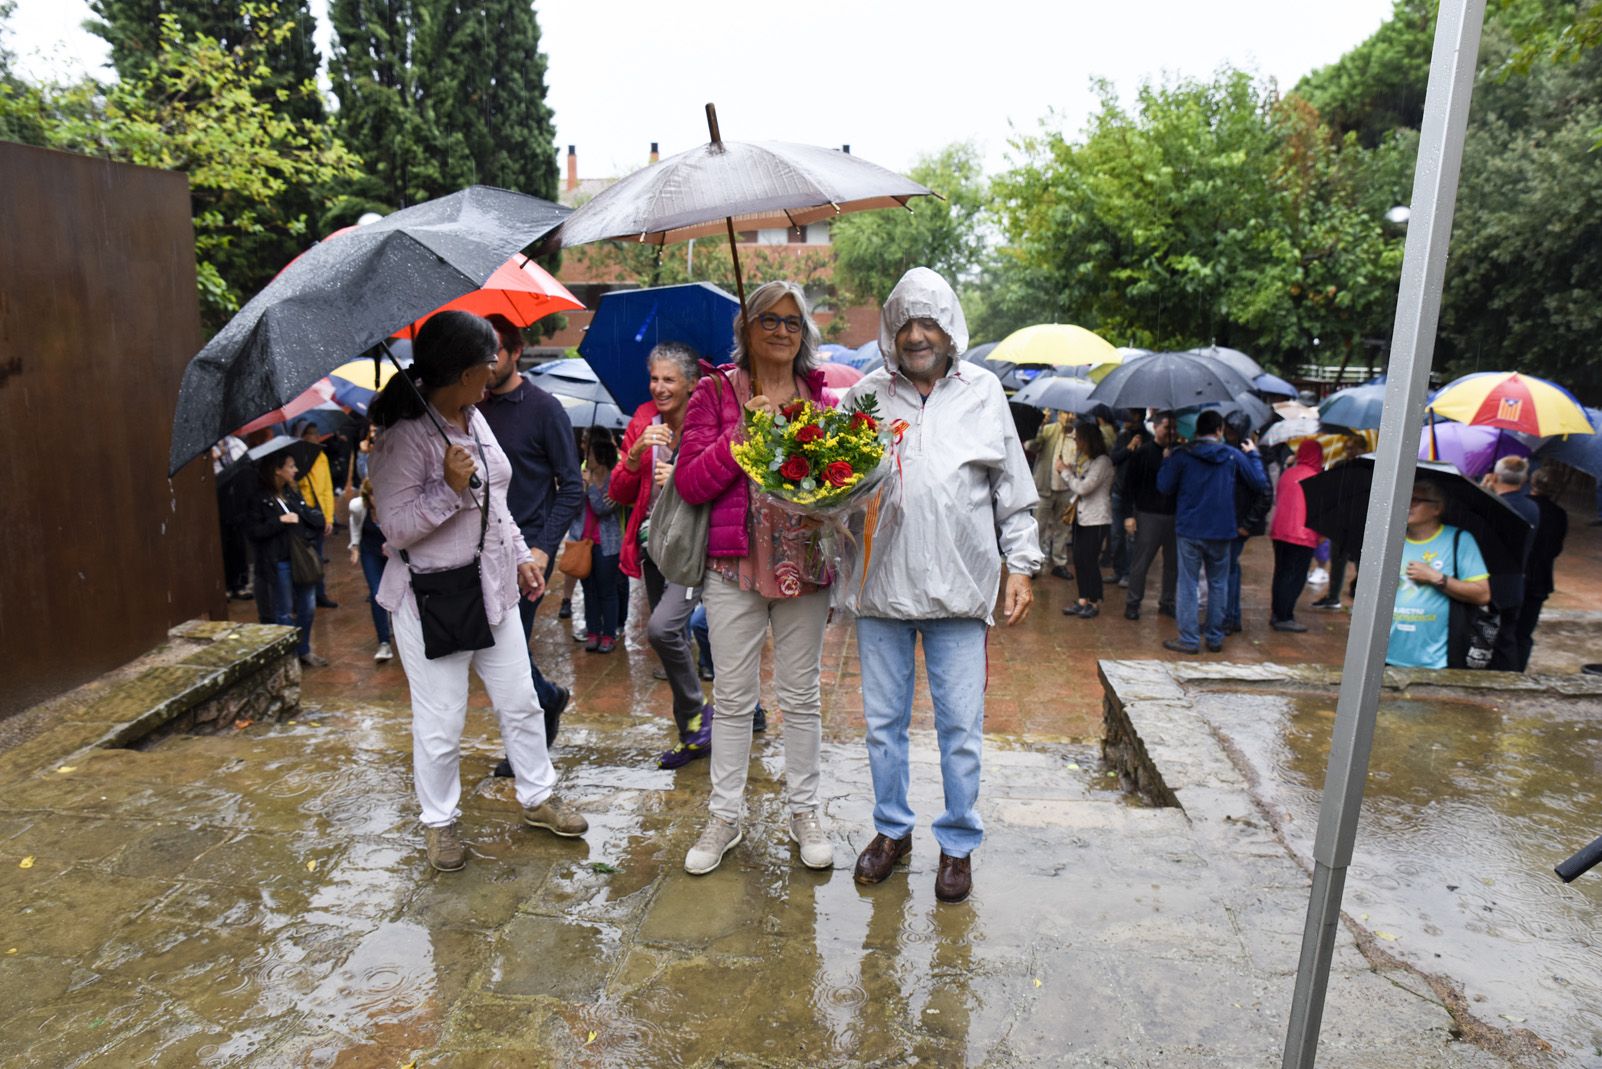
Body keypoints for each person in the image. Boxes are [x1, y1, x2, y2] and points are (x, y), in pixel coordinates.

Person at [841, 267, 1041, 905]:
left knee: (961, 728)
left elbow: (1014, 494)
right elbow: (833, 485)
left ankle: (957, 845)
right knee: (882, 725)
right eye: (905, 324)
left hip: (961, 592)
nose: (917, 335)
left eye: (928, 323)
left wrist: (1022, 566)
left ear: (949, 328)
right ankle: (891, 832)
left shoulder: (984, 393)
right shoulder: (866, 396)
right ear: (891, 334)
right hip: (881, 589)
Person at [368, 310, 587, 873]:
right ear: (462, 371)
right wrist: (447, 487)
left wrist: (520, 557)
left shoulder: (472, 418)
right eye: (486, 360)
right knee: (443, 722)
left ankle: (538, 796)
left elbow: (496, 502)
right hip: (434, 599)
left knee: (521, 701)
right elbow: (393, 529)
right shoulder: (403, 440)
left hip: (492, 591)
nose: (494, 368)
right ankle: (439, 824)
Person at [673, 280, 836, 876]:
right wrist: (744, 433)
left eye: (793, 322)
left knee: (801, 696)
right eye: (768, 319)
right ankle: (725, 815)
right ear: (746, 329)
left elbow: (832, 483)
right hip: (732, 566)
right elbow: (690, 481)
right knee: (736, 697)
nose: (781, 331)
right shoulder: (715, 392)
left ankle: (804, 811)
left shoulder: (819, 400)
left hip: (805, 565)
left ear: (804, 335)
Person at [478, 314, 582, 772]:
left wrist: (542, 546)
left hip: (528, 554)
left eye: (495, 350)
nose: (487, 361)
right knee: (493, 649)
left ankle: (527, 745)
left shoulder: (544, 408)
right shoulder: (470, 408)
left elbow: (572, 486)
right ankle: (548, 695)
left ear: (516, 351)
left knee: (509, 650)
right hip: (477, 550)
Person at [610, 342, 718, 768]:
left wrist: (682, 476)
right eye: (654, 378)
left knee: (661, 630)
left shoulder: (705, 423)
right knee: (674, 638)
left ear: (692, 384)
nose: (659, 387)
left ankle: (698, 714)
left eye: (669, 379)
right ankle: (693, 734)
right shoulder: (642, 420)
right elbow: (618, 492)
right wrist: (634, 457)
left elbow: (724, 483)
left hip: (693, 548)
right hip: (653, 548)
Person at [1157, 408, 1268, 654]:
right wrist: (1254, 455)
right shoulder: (1231, 455)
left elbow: (1164, 486)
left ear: (1197, 430)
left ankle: (1188, 639)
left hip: (1190, 530)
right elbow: (1259, 483)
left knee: (1188, 583)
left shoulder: (1182, 455)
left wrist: (1167, 459)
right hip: (1221, 530)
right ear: (1219, 430)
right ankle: (1215, 637)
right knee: (1219, 583)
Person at [1386, 478, 1490, 670]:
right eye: (1405, 498)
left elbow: (1482, 594)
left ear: (1437, 508)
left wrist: (1437, 578)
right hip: (1386, 655)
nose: (1407, 505)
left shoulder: (1459, 540)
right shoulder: (1390, 538)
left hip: (1437, 661)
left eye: (1416, 500)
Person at [245, 445, 327, 667]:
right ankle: (289, 655)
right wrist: (279, 521)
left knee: (308, 606)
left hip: (300, 557)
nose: (295, 469)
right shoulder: (259, 498)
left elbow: (306, 518)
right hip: (278, 560)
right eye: (290, 466)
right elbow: (254, 531)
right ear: (277, 470)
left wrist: (318, 519)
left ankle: (303, 650)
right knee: (283, 610)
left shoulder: (292, 492)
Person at [1482, 456, 1540, 671]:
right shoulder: (1532, 508)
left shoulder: (1495, 505)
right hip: (1515, 580)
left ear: (1495, 476)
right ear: (1524, 478)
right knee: (1507, 636)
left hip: (1491, 581)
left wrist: (1486, 491)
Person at [1121, 412, 1178, 621]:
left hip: (1173, 515)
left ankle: (1168, 602)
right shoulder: (1143, 452)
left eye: (1173, 428)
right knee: (1141, 562)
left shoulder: (1179, 454)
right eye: (1166, 427)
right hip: (1147, 515)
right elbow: (1129, 486)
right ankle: (1133, 602)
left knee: (1173, 564)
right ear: (1155, 428)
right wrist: (1129, 515)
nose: (1170, 432)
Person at [1267, 438, 1325, 633]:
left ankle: (1277, 613)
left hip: (1280, 531)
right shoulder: (1317, 478)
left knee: (1281, 572)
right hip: (1303, 535)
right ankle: (1285, 616)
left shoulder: (1288, 473)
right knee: (1296, 576)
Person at [1222, 413, 1272, 635]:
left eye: (1231, 430)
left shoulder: (1250, 455)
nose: (1227, 434)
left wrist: (1246, 524)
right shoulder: (1240, 453)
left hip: (1238, 524)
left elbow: (1264, 491)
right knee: (1231, 569)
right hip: (1233, 522)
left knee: (1229, 569)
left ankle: (1229, 618)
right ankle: (1231, 617)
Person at [1514, 466, 1568, 671]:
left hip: (1518, 575)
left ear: (1532, 482)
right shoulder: (1559, 514)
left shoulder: (1522, 506)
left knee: (1506, 628)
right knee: (1524, 633)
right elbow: (1556, 547)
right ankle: (1518, 671)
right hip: (1540, 579)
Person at [577, 434, 623, 653]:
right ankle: (593, 631)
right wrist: (580, 487)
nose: (588, 457)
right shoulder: (582, 476)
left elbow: (602, 508)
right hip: (583, 543)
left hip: (607, 544)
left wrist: (590, 488)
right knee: (589, 590)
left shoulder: (614, 479)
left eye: (591, 453)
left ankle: (609, 634)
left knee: (607, 590)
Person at [1062, 420, 1112, 618]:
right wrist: (1071, 470)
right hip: (1082, 517)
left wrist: (1065, 473)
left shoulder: (1103, 462)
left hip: (1096, 518)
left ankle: (1094, 601)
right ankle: (1082, 598)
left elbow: (1084, 488)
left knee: (1090, 560)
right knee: (1080, 559)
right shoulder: (1087, 460)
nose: (1077, 443)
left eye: (1079, 439)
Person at [346, 472, 394, 662]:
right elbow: (354, 524)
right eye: (373, 495)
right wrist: (355, 547)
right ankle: (384, 642)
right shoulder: (358, 507)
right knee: (376, 593)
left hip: (392, 552)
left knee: (397, 592)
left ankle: (395, 624)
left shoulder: (391, 505)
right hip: (370, 551)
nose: (376, 499)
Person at [292, 419, 339, 609]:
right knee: (301, 557)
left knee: (318, 556)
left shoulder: (321, 456)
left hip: (317, 513)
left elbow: (327, 488)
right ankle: (300, 597)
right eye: (311, 433)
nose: (316, 436)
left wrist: (329, 517)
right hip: (301, 514)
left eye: (316, 432)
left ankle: (320, 593)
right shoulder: (295, 456)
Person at [1029, 411, 1074, 581]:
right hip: (1044, 488)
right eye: (1065, 413)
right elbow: (1032, 446)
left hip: (1066, 489)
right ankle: (1035, 563)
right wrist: (1040, 428)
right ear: (1060, 414)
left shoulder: (1077, 436)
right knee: (1038, 527)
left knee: (1062, 528)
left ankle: (1059, 563)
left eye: (1072, 413)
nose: (1069, 416)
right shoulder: (1048, 430)